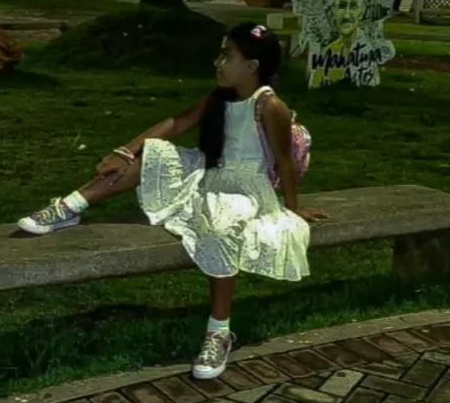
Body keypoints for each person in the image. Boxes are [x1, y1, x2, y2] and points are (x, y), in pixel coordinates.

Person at [17, 22, 327, 380]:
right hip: (210, 172)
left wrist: (292, 209)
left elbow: (284, 162)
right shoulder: (221, 96)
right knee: (153, 154)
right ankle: (70, 206)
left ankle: (219, 332)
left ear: (251, 66)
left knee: (221, 229)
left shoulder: (270, 105)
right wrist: (126, 151)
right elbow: (178, 123)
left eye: (227, 55)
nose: (218, 62)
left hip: (244, 189)